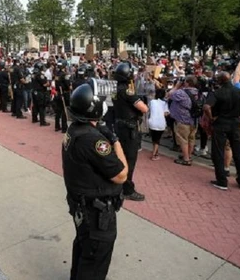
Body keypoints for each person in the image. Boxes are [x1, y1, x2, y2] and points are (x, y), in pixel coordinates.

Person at [62, 81, 128, 280]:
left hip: (82, 206)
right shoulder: (94, 140)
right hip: (96, 213)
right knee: (95, 260)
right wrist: (115, 141)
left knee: (84, 249)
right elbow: (121, 174)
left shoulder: (74, 129)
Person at [203, 71, 240, 191]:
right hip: (235, 123)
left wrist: (211, 117)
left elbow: (206, 107)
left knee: (218, 152)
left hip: (220, 123)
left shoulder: (217, 93)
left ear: (220, 81)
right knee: (238, 152)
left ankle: (222, 180)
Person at [112, 61, 148, 201]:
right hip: (129, 128)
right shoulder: (127, 90)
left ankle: (119, 185)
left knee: (121, 157)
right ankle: (127, 189)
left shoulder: (116, 89)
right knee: (130, 159)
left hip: (119, 125)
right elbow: (144, 108)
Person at [147, 88, 169, 161]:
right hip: (161, 123)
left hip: (152, 122)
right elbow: (166, 113)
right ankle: (154, 154)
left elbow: (148, 109)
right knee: (157, 139)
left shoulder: (152, 101)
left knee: (154, 138)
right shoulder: (164, 103)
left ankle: (155, 151)